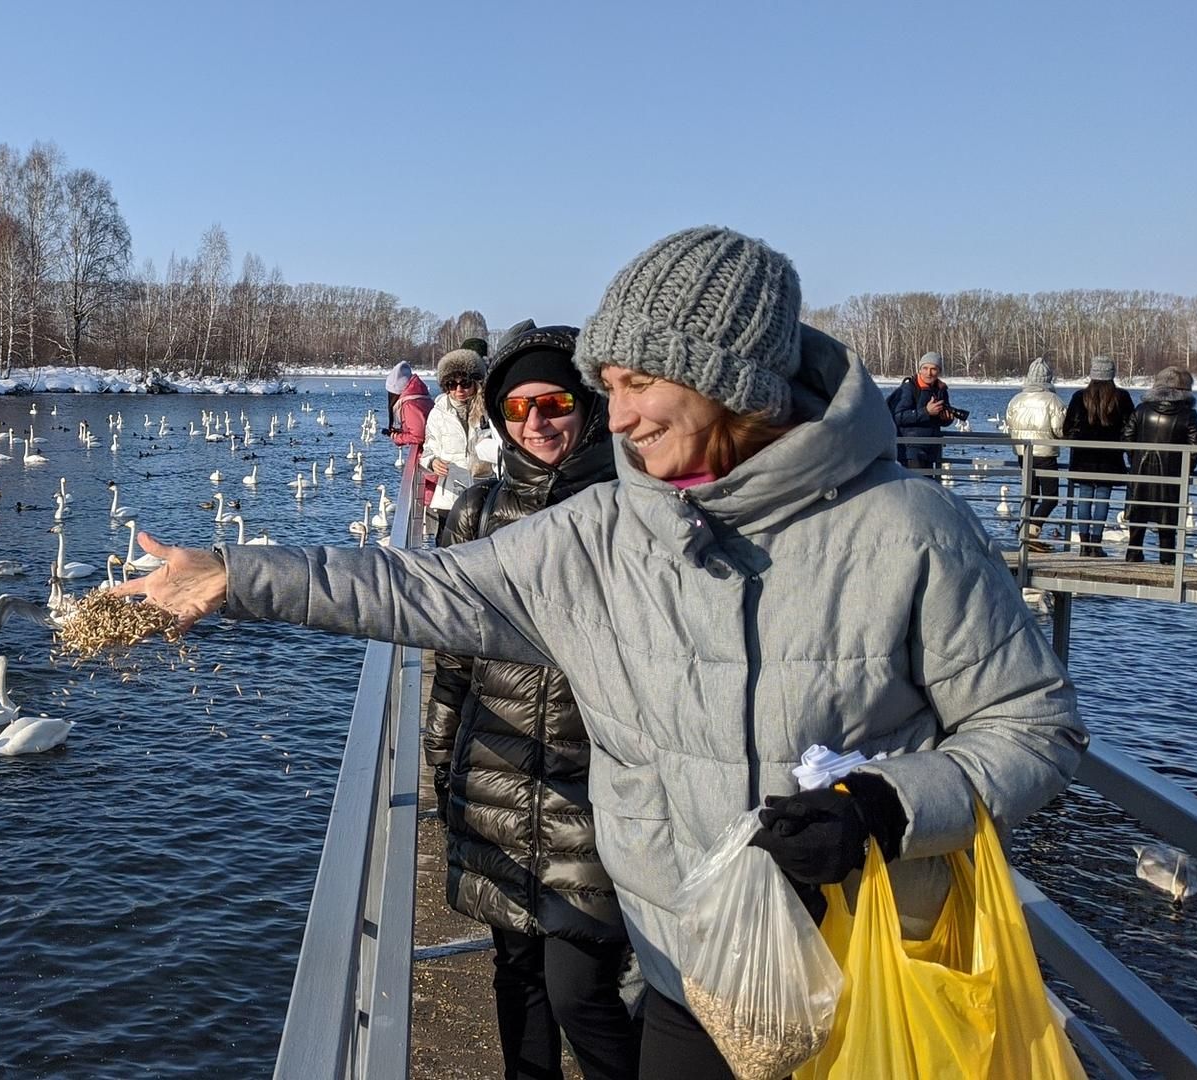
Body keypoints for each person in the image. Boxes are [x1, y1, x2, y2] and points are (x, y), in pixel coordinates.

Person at [117, 226, 1086, 1076]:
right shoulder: (599, 535)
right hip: (693, 974)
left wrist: (883, 805)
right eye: (607, 388)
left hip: (874, 968)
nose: (613, 418)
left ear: (730, 380)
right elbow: (422, 586)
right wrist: (236, 575)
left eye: (636, 385)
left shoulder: (908, 529)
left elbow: (1037, 732)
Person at [426, 325, 635, 1080]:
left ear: (588, 406)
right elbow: (452, 659)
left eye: (552, 403)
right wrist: (442, 765)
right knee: (515, 978)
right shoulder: (477, 514)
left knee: (580, 990)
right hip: (497, 779)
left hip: (592, 792)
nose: (536, 424)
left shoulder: (630, 513)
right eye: (516, 410)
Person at [1120, 366, 1197, 564]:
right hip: (1172, 476)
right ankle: (1167, 559)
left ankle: (1133, 554)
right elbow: (1196, 445)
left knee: (1138, 515)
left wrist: (1135, 459)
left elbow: (1126, 437)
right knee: (1168, 519)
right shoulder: (1188, 414)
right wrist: (1185, 469)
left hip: (1140, 473)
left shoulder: (1142, 410)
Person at [1062, 356, 1134, 556]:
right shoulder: (1122, 397)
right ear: (1112, 374)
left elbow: (1067, 427)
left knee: (1084, 498)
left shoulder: (1079, 397)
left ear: (1092, 373)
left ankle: (1084, 546)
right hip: (1110, 459)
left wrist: (1078, 438)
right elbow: (1130, 428)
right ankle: (1096, 544)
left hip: (1083, 458)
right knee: (1103, 499)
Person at [422, 347, 494, 534]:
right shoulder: (438, 413)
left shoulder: (490, 411)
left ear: (476, 382)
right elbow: (428, 448)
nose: (459, 390)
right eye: (452, 385)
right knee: (448, 547)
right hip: (450, 494)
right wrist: (432, 462)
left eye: (465, 383)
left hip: (484, 491)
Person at [1005, 358, 1068, 551]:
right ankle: (1032, 531)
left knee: (1030, 494)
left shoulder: (1016, 399)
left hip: (1023, 453)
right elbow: (1060, 430)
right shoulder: (1053, 401)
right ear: (1048, 377)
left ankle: (1025, 532)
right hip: (1046, 454)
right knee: (1051, 496)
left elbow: (1009, 425)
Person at [885, 351, 956, 475]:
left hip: (932, 448)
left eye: (933, 369)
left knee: (928, 488)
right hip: (910, 450)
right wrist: (926, 412)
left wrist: (947, 419)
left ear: (939, 371)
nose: (928, 373)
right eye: (925, 368)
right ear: (919, 369)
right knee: (915, 490)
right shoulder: (908, 389)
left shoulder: (941, 390)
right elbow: (897, 417)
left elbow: (937, 420)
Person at [386, 360, 433, 462]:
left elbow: (418, 436)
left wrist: (397, 438)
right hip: (433, 454)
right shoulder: (422, 397)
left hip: (429, 457)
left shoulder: (410, 405)